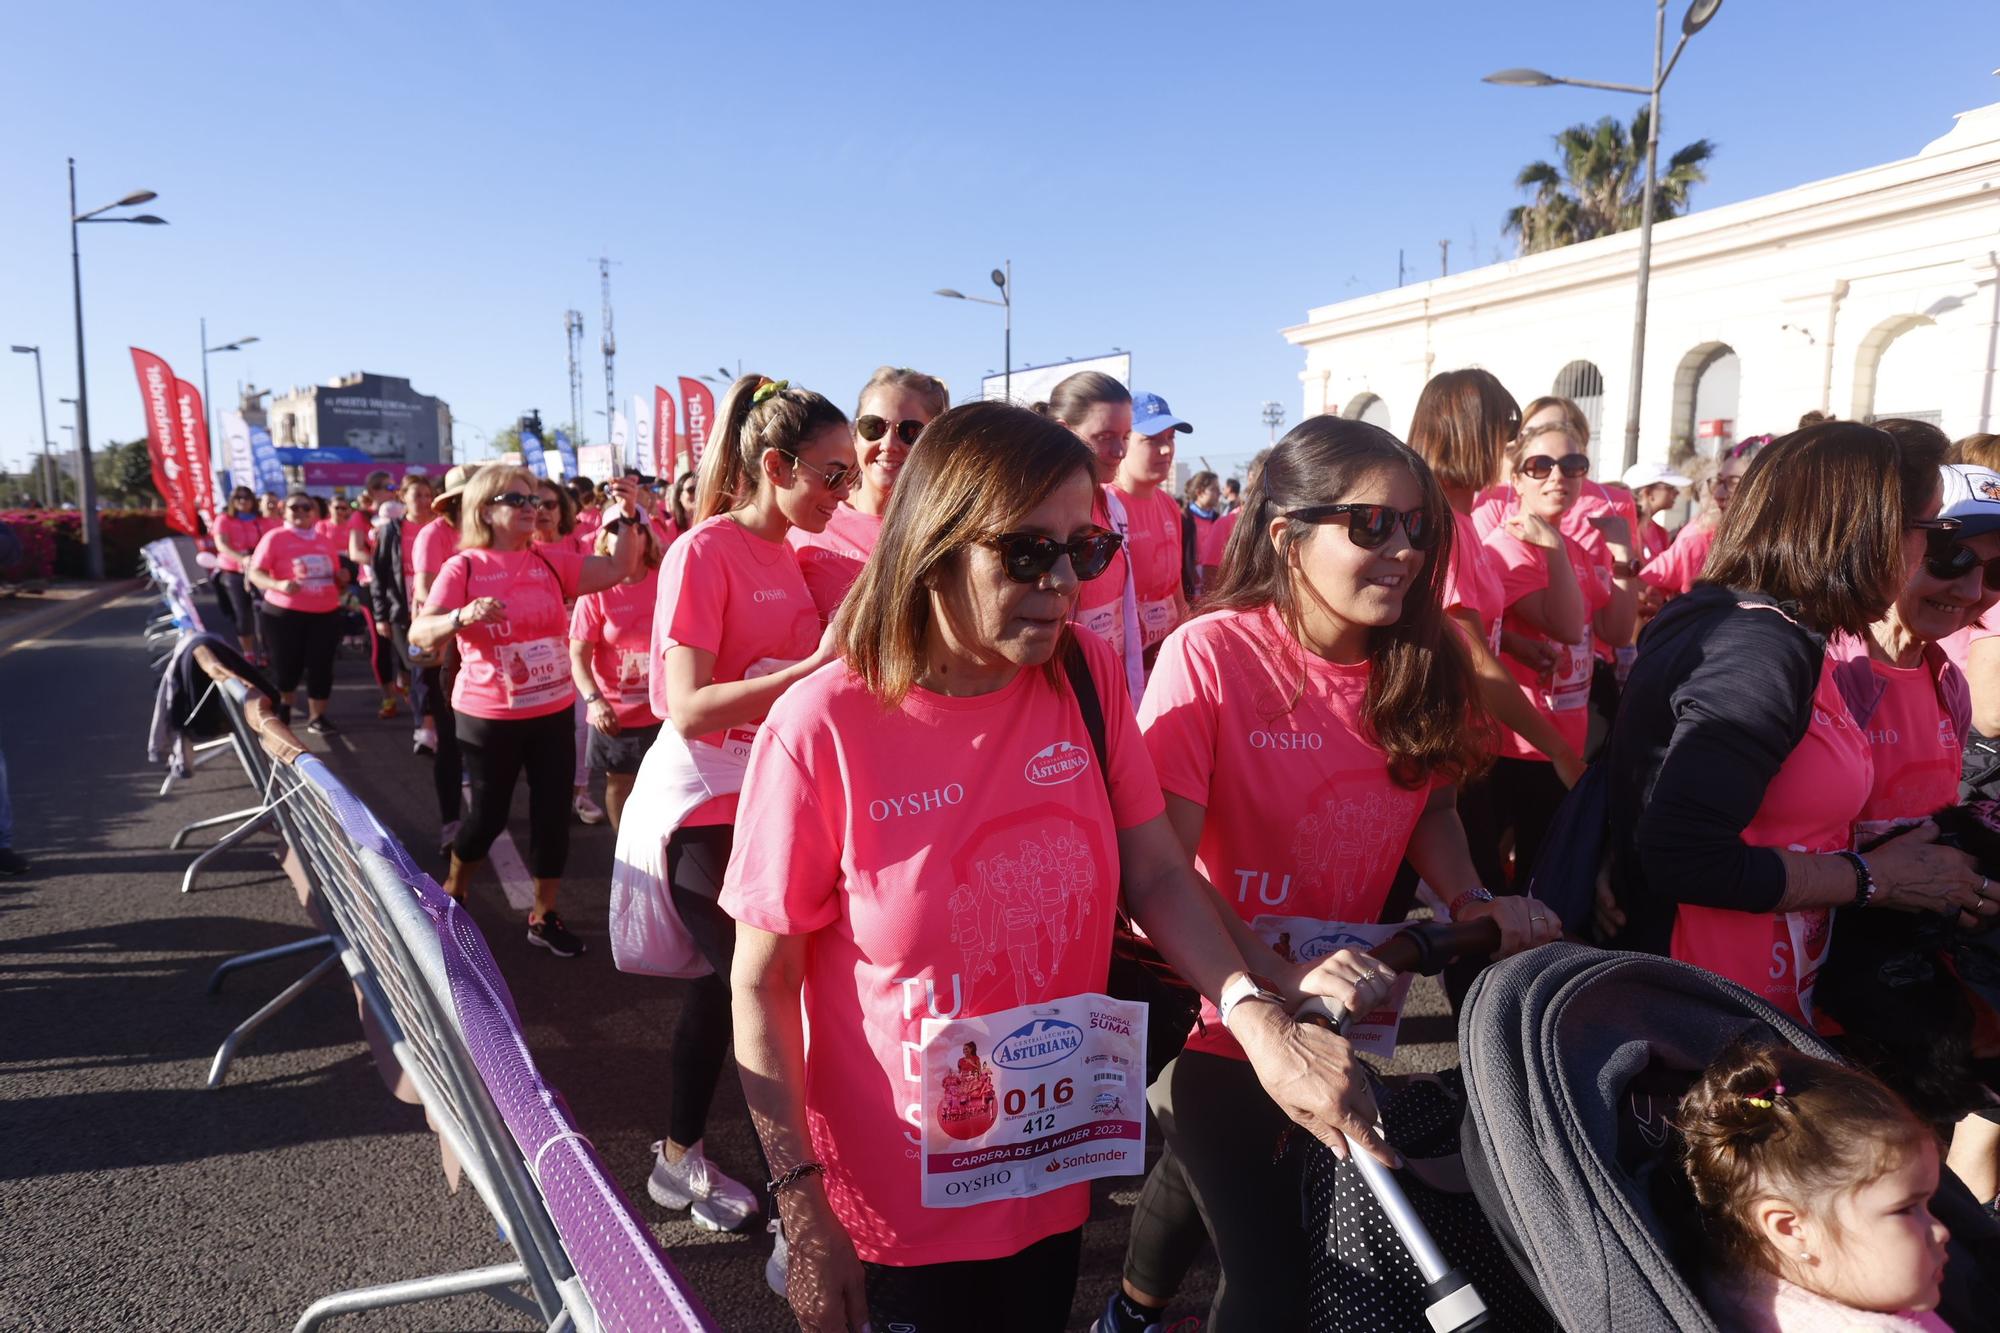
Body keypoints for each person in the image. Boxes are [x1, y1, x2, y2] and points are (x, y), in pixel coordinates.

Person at [723, 401, 1411, 1333]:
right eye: (1025, 553)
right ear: (936, 541)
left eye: (1083, 552)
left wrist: (1259, 1021)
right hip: (894, 1212)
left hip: (1049, 1172)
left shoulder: (1083, 675)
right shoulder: (821, 727)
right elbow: (763, 984)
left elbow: (1159, 873)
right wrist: (801, 1207)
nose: (1064, 584)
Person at [1100, 413, 1560, 1333]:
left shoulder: (1422, 658)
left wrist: (1472, 900)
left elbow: (1429, 808)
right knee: (1278, 1280)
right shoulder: (1213, 656)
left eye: (1418, 527)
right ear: (1287, 535)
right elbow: (1159, 869)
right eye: (1371, 525)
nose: (1402, 550)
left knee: (1209, 1177)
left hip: (1347, 998)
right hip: (1223, 1002)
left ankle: (1127, 1314)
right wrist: (1274, 981)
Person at [1600, 422, 1996, 1024]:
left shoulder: (1760, 624)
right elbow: (1683, 855)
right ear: (1870, 529)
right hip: (1709, 1011)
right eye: (1934, 535)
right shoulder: (1761, 647)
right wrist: (1873, 879)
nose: (1936, 560)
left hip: (1762, 992)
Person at [637, 375, 854, 1233]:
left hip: (769, 795)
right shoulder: (705, 551)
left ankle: (678, 1156)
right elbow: (684, 705)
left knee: (725, 994)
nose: (845, 493)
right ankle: (805, 1201)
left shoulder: (799, 557)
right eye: (832, 475)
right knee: (761, 989)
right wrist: (811, 667)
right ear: (775, 464)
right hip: (699, 803)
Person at [407, 466, 643, 957]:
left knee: (553, 815)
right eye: (517, 499)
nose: (531, 507)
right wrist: (460, 617)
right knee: (488, 817)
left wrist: (628, 511)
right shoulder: (464, 567)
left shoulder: (550, 561)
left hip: (552, 709)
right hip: (490, 715)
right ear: (485, 509)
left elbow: (620, 567)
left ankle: (544, 915)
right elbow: (419, 634)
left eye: (533, 498)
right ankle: (454, 891)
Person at [1677, 1040, 1952, 1332]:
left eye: (1928, 1205)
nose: (1942, 1231)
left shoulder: (1738, 1288)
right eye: (1906, 1209)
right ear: (1791, 1230)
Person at [1483, 413, 1637, 884]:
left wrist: (1624, 557)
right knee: (1510, 883)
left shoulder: (1574, 546)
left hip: (1566, 738)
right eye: (1540, 465)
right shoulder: (1507, 547)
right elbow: (1569, 627)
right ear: (1516, 478)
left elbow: (1614, 629)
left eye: (1572, 465)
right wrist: (1550, 546)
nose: (1558, 477)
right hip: (1515, 745)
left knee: (1547, 877)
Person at [791, 365, 948, 621]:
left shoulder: (947, 533)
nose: (888, 444)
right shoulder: (809, 523)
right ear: (855, 435)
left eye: (909, 432)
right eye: (873, 427)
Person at [1036, 372, 1143, 698]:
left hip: (1109, 684)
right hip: (1062, 686)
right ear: (1064, 431)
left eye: (1125, 436)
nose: (1120, 451)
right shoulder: (1038, 510)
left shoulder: (1115, 506)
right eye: (1105, 436)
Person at [568, 503, 666, 830]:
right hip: (616, 714)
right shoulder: (596, 590)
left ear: (646, 535)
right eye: (614, 529)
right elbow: (578, 655)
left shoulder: (666, 578)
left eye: (635, 526)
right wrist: (595, 702)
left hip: (664, 709)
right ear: (603, 542)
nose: (625, 534)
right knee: (620, 785)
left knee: (664, 787)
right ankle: (625, 859)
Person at [410, 464, 476, 844]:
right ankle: (451, 821)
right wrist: (465, 613)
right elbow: (424, 591)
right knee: (451, 740)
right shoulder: (433, 535)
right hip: (448, 649)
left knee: (484, 739)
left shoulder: (487, 532)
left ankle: (484, 814)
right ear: (452, 502)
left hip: (486, 651)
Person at [247, 490, 349, 734]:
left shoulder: (324, 540)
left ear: (314, 511)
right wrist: (278, 584)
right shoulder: (275, 537)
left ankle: (317, 717)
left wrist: (342, 578)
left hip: (326, 611)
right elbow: (255, 573)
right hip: (284, 613)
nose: (301, 512)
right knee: (286, 665)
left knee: (321, 666)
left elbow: (336, 576)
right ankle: (284, 708)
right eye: (295, 507)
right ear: (285, 511)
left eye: (307, 507)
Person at [1115, 392, 1193, 669]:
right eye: (1152, 440)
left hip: (1165, 664)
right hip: (1122, 670)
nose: (1166, 449)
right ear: (1122, 441)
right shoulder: (1103, 507)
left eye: (1170, 438)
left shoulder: (1170, 506)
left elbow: (1176, 591)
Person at [1641, 435, 1766, 598]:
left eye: (1733, 483)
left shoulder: (1795, 543)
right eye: (1719, 482)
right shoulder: (1699, 538)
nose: (1718, 494)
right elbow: (1646, 582)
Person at [213, 485, 273, 661]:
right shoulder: (224, 519)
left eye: (246, 498)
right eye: (238, 498)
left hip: (259, 572)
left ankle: (265, 652)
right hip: (234, 572)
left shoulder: (261, 521)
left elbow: (270, 543)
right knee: (243, 614)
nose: (242, 501)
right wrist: (242, 559)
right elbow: (222, 545)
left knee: (263, 613)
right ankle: (248, 653)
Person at [1623, 460, 1693, 565]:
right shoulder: (1624, 528)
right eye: (1670, 488)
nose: (1677, 492)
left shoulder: (1661, 533)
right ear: (1647, 492)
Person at [1180, 470, 1219, 598]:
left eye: (1219, 489)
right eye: (1214, 489)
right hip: (1189, 589)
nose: (1219, 494)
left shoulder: (1218, 519)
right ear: (1199, 492)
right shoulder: (1183, 518)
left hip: (1211, 587)